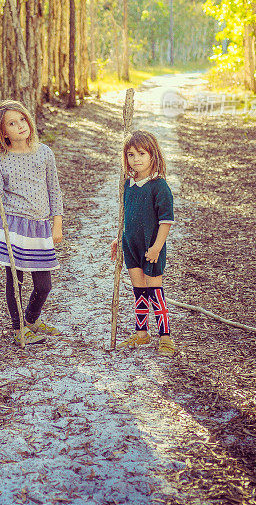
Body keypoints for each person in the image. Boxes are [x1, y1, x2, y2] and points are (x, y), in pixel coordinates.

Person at [0, 100, 64, 346]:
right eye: (12, 123)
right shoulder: (0, 159)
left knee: (44, 284)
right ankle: (19, 328)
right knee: (15, 279)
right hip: (13, 226)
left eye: (23, 120)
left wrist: (56, 224)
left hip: (39, 227)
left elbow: (54, 191)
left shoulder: (44, 153)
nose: (20, 126)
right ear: (2, 132)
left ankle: (32, 319)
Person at [110, 130, 176, 357]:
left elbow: (166, 221)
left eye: (141, 153)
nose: (136, 159)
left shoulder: (159, 186)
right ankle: (141, 333)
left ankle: (165, 336)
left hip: (151, 247)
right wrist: (119, 240)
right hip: (131, 245)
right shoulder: (128, 184)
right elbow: (126, 216)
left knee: (155, 290)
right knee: (139, 290)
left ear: (153, 155)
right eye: (130, 154)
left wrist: (157, 247)